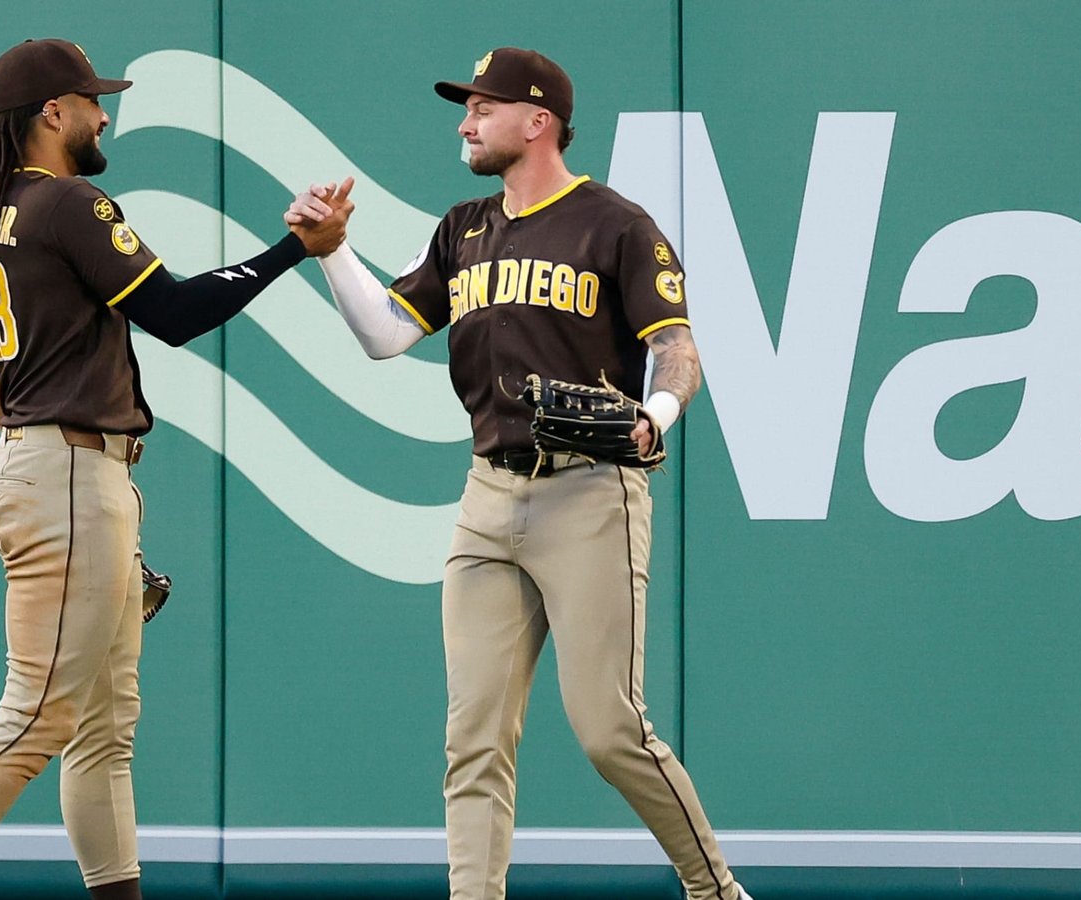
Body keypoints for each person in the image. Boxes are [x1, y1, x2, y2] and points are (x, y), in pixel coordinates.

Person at [0, 38, 350, 900]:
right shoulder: (66, 202)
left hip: (42, 462)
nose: (105, 114)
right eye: (92, 100)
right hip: (68, 471)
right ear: (51, 112)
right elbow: (173, 311)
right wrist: (296, 247)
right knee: (37, 716)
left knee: (101, 731)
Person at [287, 47, 751, 900]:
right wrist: (333, 252)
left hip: (589, 492)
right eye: (465, 109)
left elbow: (677, 348)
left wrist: (656, 415)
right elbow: (385, 334)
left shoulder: (615, 224)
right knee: (473, 740)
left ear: (538, 121)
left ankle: (716, 890)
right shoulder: (463, 227)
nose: (465, 123)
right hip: (487, 497)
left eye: (482, 107)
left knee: (610, 731)